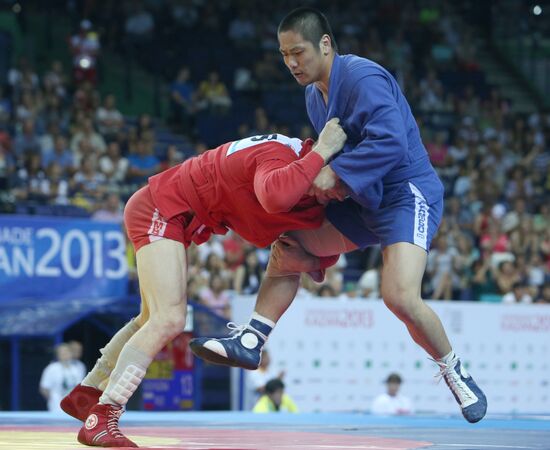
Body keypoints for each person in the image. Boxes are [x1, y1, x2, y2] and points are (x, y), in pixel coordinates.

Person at [190, 7, 486, 424]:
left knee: (399, 296)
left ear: (325, 44)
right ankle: (252, 340)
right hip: (363, 197)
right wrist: (323, 183)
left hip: (406, 193)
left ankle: (455, 371)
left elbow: (393, 145)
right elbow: (334, 157)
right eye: (284, 55)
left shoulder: (363, 78)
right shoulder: (315, 94)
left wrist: (335, 174)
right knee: (289, 246)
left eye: (298, 52)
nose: (291, 63)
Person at [60, 118, 347, 447]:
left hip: (174, 215)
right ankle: (103, 416)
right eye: (341, 182)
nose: (338, 193)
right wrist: (323, 150)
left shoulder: (303, 176)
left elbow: (312, 251)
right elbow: (275, 198)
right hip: (160, 207)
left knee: (149, 320)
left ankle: (89, 392)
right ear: (328, 157)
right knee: (170, 318)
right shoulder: (282, 157)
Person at [40, 343, 86, 413]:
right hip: (56, 408)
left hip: (74, 408)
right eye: (62, 352)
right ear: (58, 355)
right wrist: (53, 400)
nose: (65, 354)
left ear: (71, 354)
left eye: (67, 352)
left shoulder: (78, 368)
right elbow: (44, 389)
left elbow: (81, 388)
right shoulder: (51, 368)